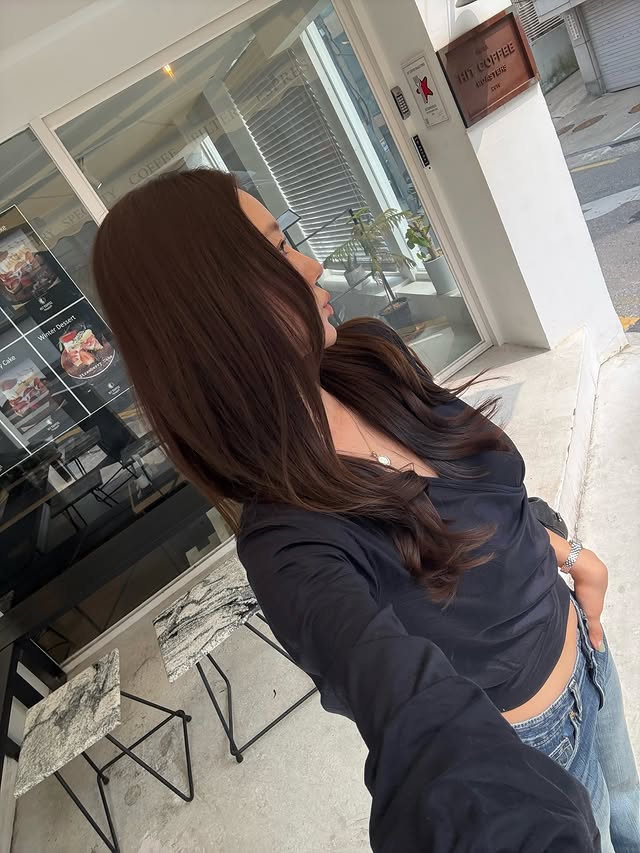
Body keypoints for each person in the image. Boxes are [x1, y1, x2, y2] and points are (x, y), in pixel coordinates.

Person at [92, 169, 637, 852]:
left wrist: (573, 555)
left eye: (288, 241)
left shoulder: (369, 359)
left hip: (589, 651)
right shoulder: (290, 545)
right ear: (212, 311)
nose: (311, 264)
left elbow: (484, 498)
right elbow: (408, 713)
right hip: (529, 753)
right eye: (277, 252)